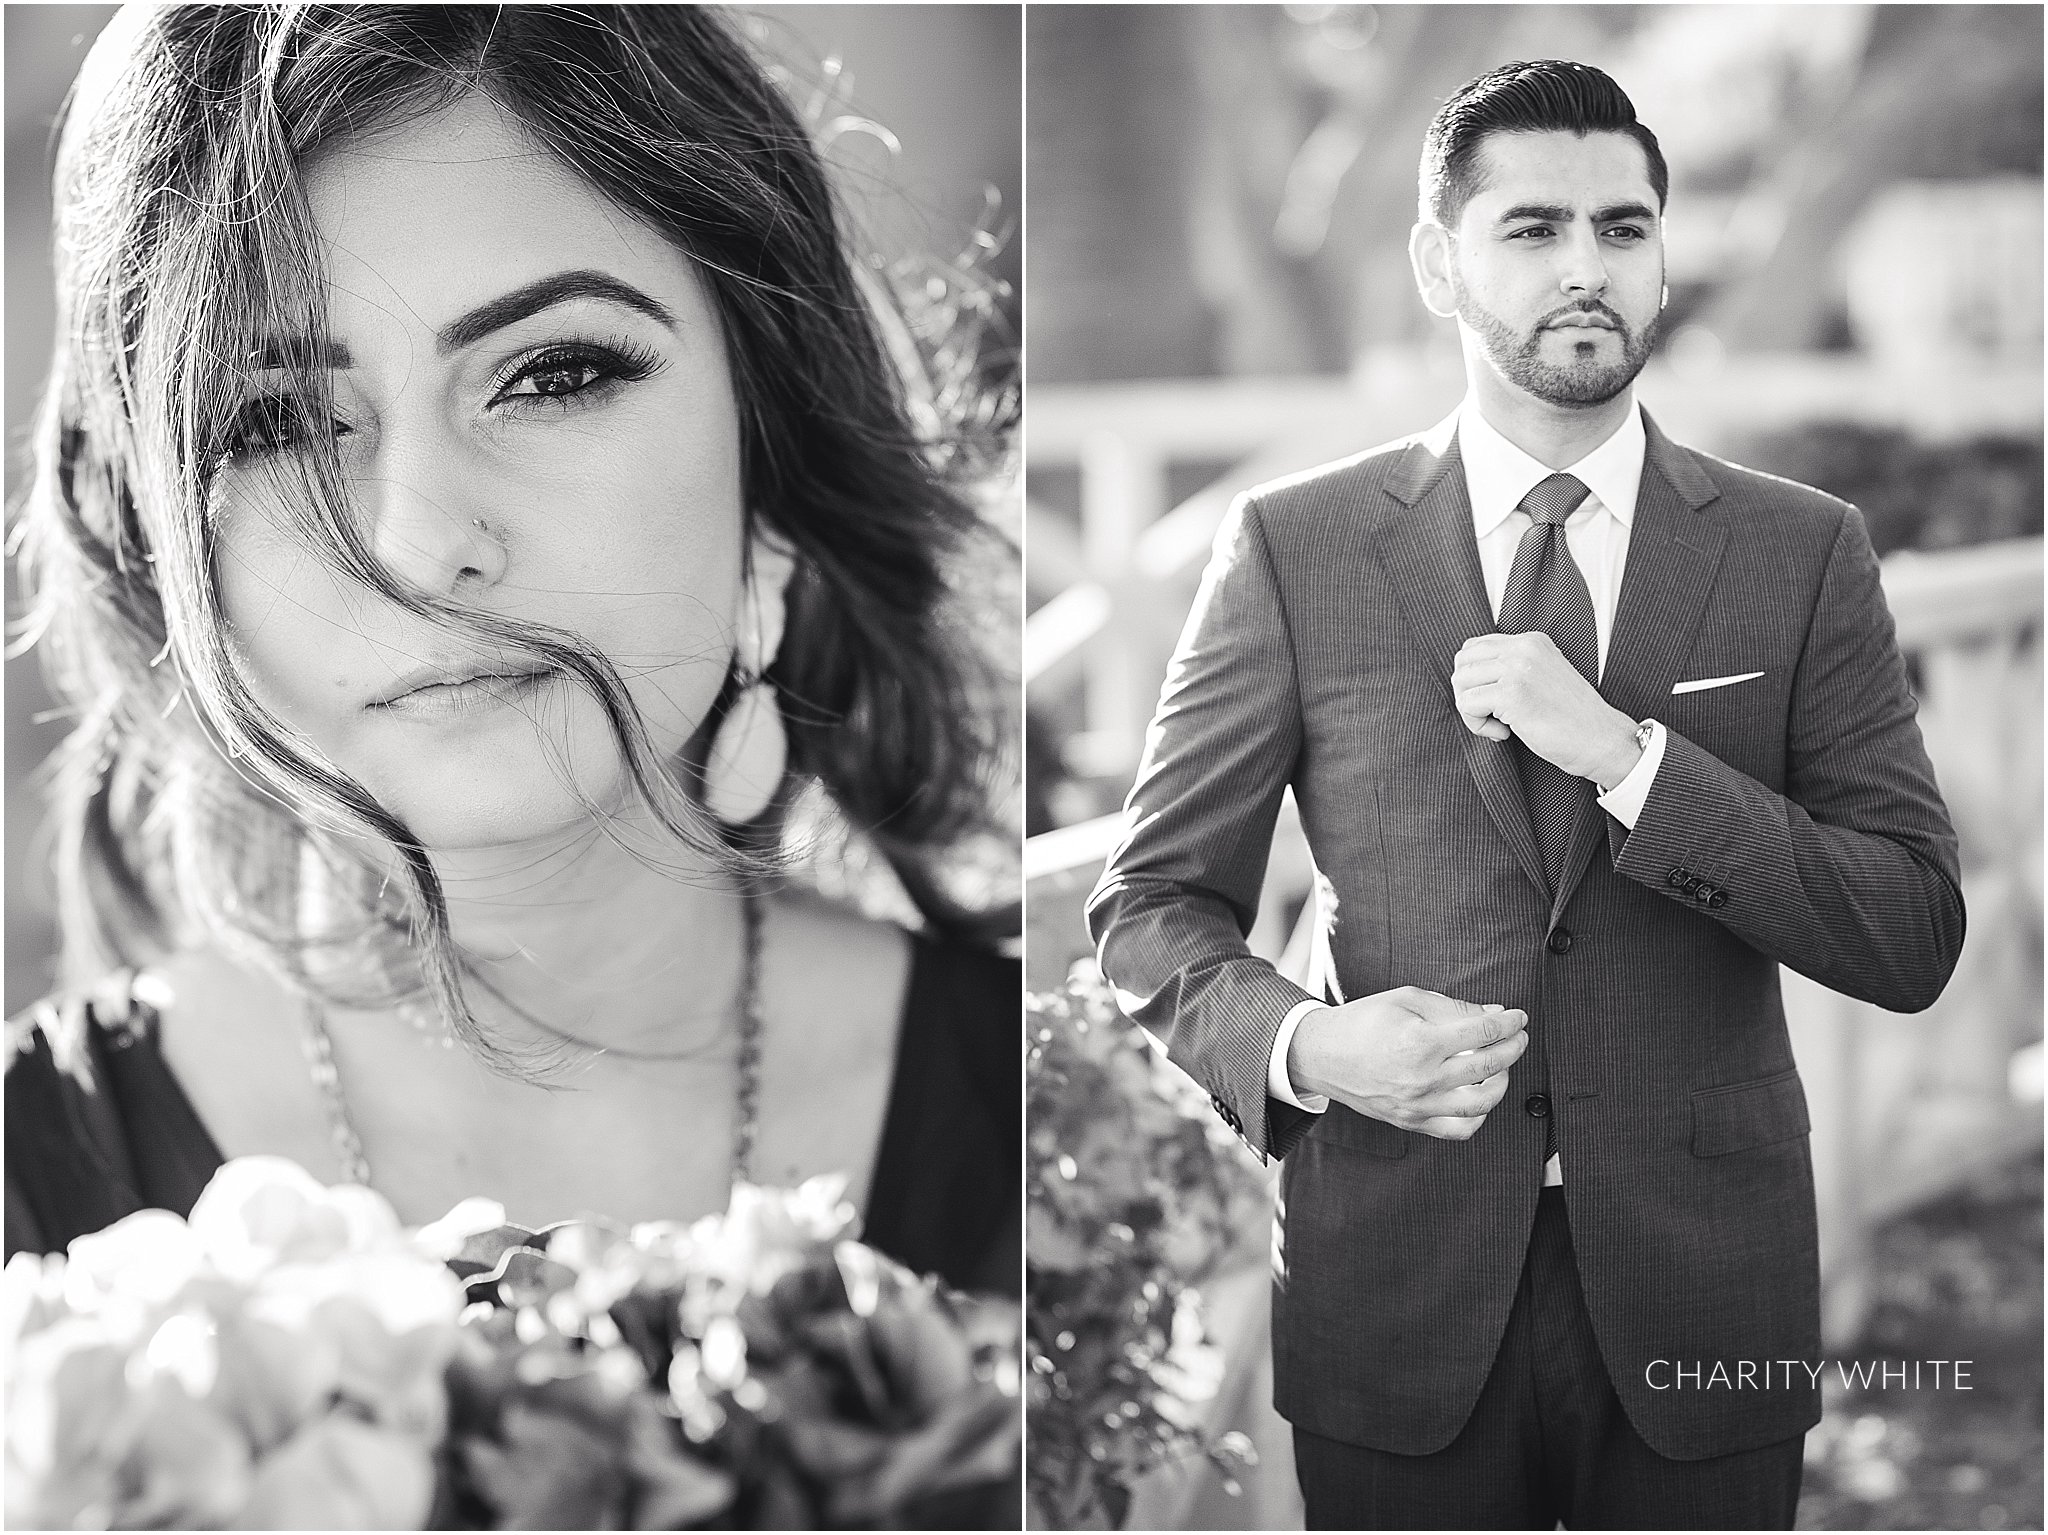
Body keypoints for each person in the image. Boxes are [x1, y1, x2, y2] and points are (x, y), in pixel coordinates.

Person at [5, 4, 1019, 1307]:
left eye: (552, 375)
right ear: (152, 535)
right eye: (273, 424)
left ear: (771, 456)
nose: (423, 544)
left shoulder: (1057, 1135)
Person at [1089, 59, 1963, 1530]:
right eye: (1534, 228)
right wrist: (1310, 1046)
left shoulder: (1801, 554)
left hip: (1707, 1292)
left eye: (1624, 231)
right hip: (1397, 1292)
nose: (1587, 269)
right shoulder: (1295, 549)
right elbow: (1149, 909)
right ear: (1441, 262)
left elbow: (1910, 928)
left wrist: (1632, 763)